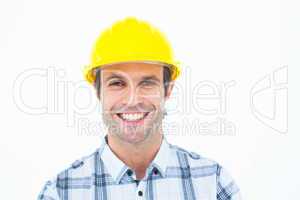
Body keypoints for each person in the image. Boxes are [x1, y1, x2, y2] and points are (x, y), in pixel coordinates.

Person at [38, 17, 241, 200]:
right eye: (117, 83)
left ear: (168, 90)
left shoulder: (214, 184)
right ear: (98, 91)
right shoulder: (60, 192)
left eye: (147, 83)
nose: (132, 99)